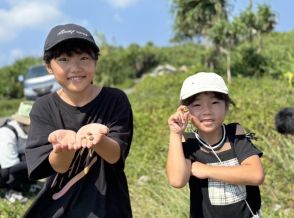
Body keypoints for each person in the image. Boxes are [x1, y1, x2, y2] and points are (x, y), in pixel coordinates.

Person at [24, 23, 133, 218]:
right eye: (64, 59)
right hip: (60, 210)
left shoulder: (115, 99)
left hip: (108, 208)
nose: (75, 68)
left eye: (84, 58)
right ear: (49, 66)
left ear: (95, 62)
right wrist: (63, 148)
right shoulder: (43, 108)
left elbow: (115, 155)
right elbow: (58, 166)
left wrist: (98, 139)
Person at [166, 72, 265, 218]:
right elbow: (177, 180)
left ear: (226, 106)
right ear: (185, 111)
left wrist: (205, 170)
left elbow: (256, 175)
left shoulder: (235, 133)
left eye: (214, 102)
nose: (207, 111)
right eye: (197, 105)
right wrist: (175, 134)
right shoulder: (187, 142)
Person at [0, 101, 34, 203]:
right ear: (23, 123)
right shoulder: (7, 133)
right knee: (31, 161)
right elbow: (9, 166)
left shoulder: (26, 131)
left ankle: (27, 184)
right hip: (4, 168)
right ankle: (12, 190)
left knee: (30, 157)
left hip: (11, 163)